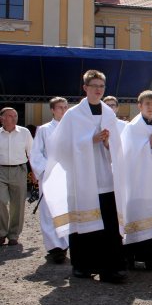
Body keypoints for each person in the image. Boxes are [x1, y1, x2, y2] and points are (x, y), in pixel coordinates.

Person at [42, 70, 128, 283]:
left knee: (108, 224)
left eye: (102, 86)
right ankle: (82, 266)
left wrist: (108, 142)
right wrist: (90, 140)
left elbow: (117, 145)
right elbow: (59, 147)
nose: (98, 90)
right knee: (83, 223)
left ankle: (110, 268)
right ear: (85, 88)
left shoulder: (108, 113)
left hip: (104, 176)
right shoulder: (73, 115)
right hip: (82, 179)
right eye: (94, 86)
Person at [121, 90, 152, 272]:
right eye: (147, 104)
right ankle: (129, 258)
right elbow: (127, 155)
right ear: (139, 106)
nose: (150, 107)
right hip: (138, 184)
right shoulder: (131, 128)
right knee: (136, 217)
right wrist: (148, 145)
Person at [29, 97, 69, 261]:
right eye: (60, 107)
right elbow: (36, 153)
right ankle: (55, 247)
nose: (63, 110)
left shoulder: (72, 129)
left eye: (66, 107)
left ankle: (66, 243)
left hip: (68, 177)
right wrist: (48, 169)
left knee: (67, 210)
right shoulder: (44, 129)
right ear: (52, 110)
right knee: (49, 211)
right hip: (50, 176)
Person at [0, 107, 33, 246]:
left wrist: (36, 173)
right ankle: (1, 233)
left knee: (18, 203)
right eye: (10, 116)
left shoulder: (24, 132)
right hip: (1, 170)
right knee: (1, 201)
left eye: (15, 115)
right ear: (2, 118)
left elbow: (32, 152)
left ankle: (14, 235)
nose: (14, 118)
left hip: (19, 169)